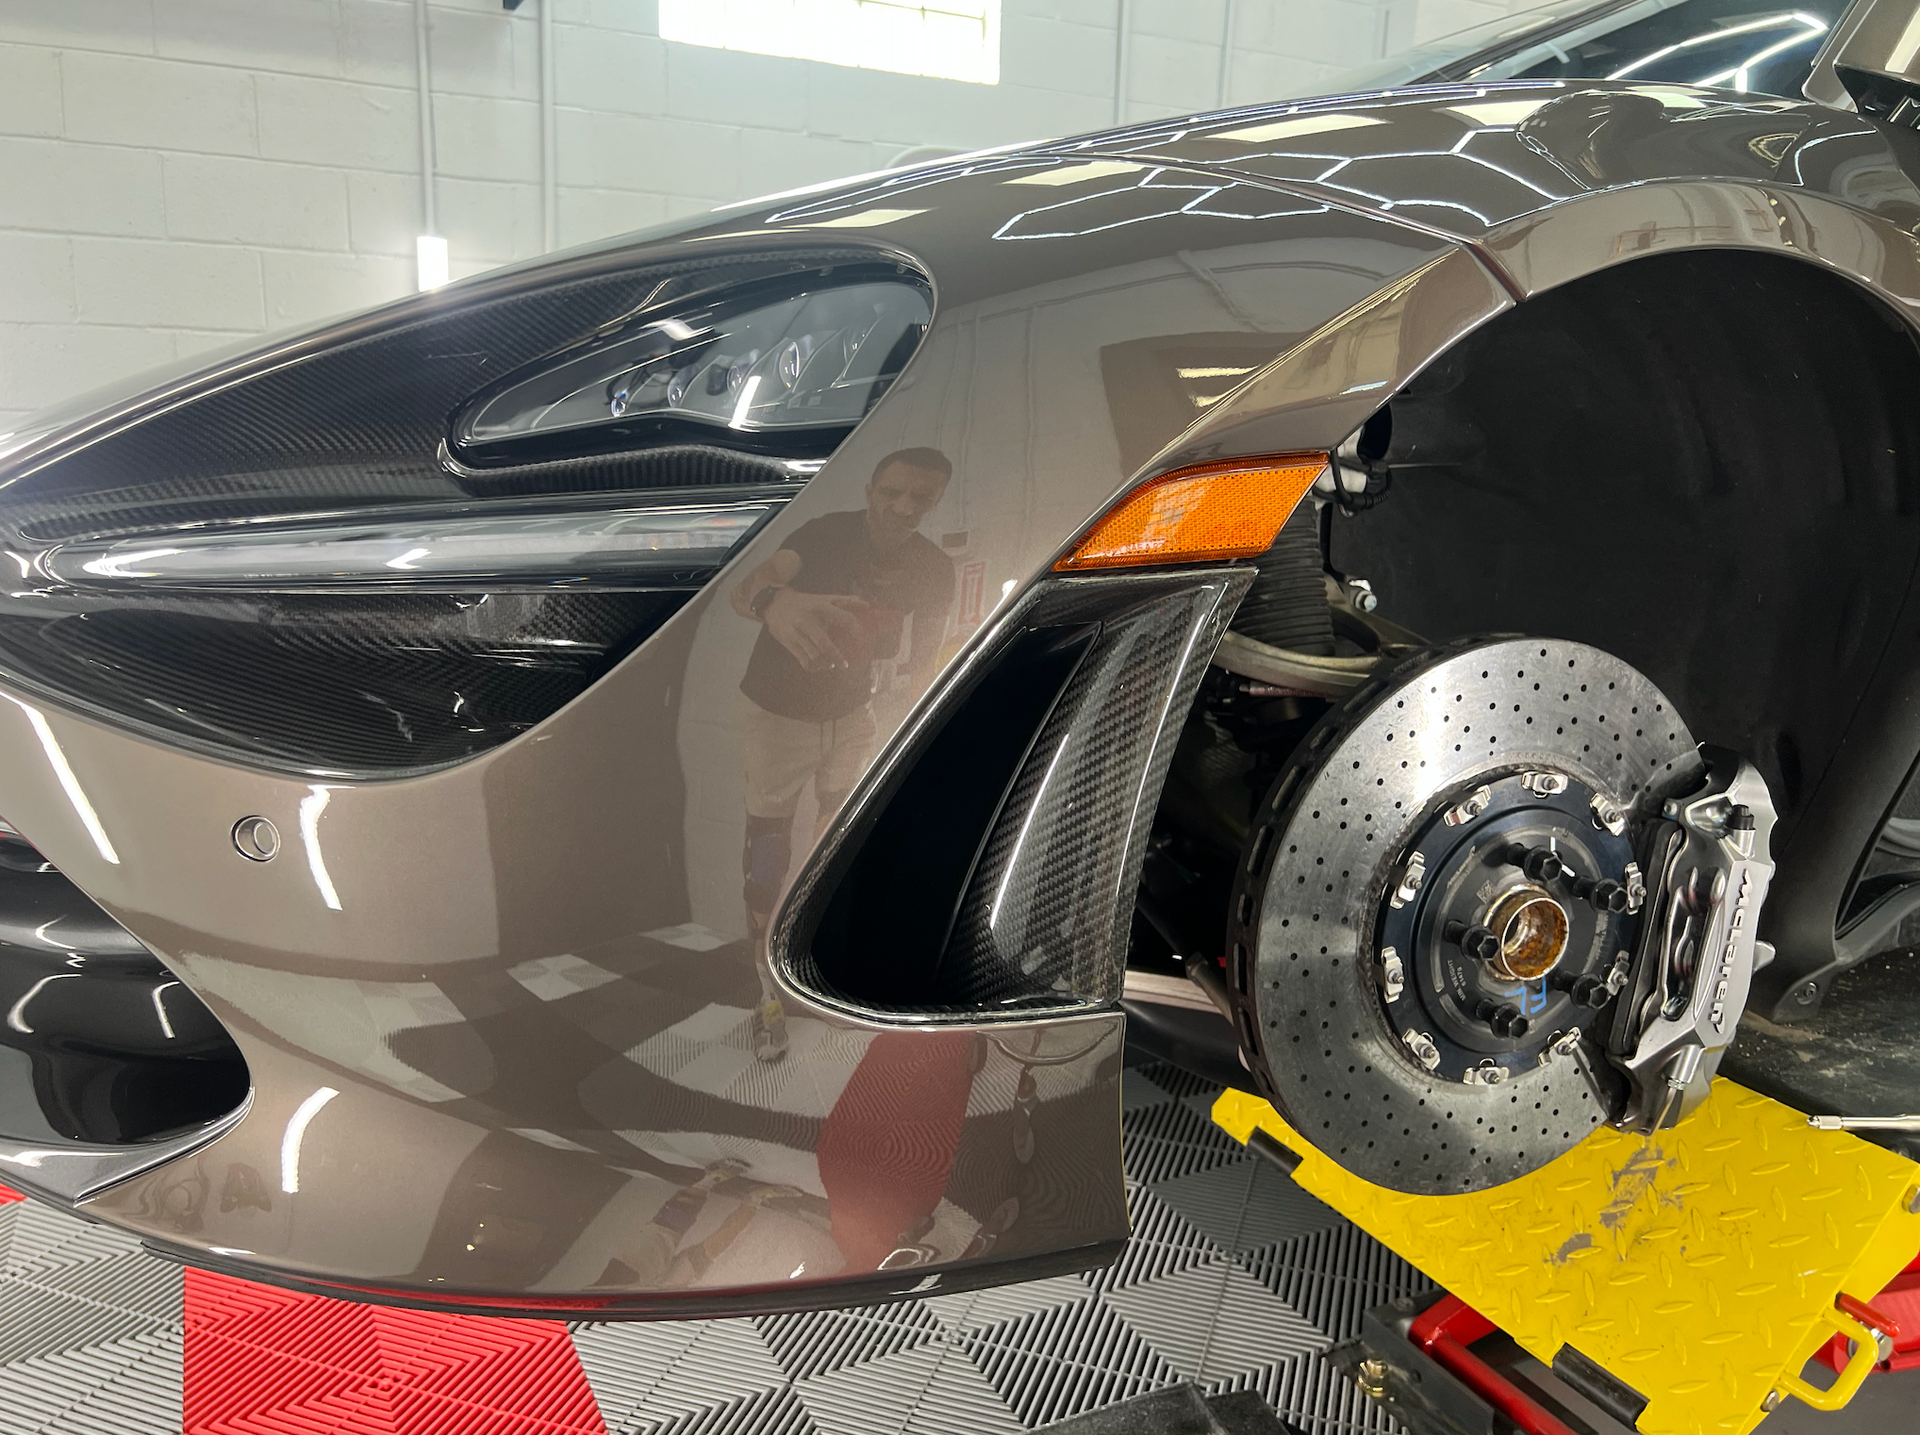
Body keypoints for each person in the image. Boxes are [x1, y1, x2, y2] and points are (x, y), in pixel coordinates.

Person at [731, 448, 956, 1057]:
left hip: (853, 716)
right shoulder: (824, 534)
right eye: (893, 492)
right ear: (871, 488)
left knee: (835, 849)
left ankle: (819, 968)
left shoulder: (934, 567)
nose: (904, 508)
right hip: (777, 714)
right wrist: (774, 603)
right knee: (769, 855)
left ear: (936, 502)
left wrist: (914, 715)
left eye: (921, 498)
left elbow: (925, 661)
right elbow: (744, 587)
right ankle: (765, 991)